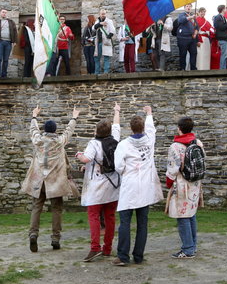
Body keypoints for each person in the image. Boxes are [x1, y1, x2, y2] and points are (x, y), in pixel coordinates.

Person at [21, 105, 81, 253]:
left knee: (36, 207)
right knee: (56, 209)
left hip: (39, 180)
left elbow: (33, 130)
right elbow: (69, 131)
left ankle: (33, 234)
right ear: (54, 130)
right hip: (55, 181)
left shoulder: (38, 140)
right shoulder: (60, 141)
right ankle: (55, 238)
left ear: (45, 130)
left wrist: (34, 116)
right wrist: (74, 117)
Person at [112, 106, 164, 266]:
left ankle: (122, 256)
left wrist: (127, 170)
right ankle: (138, 256)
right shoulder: (149, 140)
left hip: (129, 185)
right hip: (145, 186)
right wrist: (149, 113)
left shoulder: (123, 145)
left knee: (125, 222)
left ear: (131, 128)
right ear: (142, 127)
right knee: (142, 223)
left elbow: (118, 167)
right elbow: (151, 129)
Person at [76, 103, 121, 262]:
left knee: (94, 216)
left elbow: (88, 158)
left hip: (97, 185)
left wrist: (79, 155)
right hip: (113, 184)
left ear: (97, 131)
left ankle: (95, 248)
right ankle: (107, 248)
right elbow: (117, 125)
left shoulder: (93, 143)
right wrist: (117, 111)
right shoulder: (115, 139)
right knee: (110, 216)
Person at [165, 117, 204, 259]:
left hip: (182, 184)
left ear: (179, 128)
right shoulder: (197, 143)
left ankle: (187, 249)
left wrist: (169, 183)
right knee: (191, 214)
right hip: (195, 183)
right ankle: (192, 245)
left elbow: (172, 169)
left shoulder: (175, 147)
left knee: (182, 216)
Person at [0, 8, 17, 78]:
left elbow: (15, 31)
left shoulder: (11, 22)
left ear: (7, 14)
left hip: (8, 42)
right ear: (0, 13)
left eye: (5, 12)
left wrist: (14, 41)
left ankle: (4, 74)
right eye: (3, 12)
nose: (4, 13)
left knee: (6, 59)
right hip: (0, 42)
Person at [177, 4, 199, 70]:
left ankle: (193, 68)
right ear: (184, 8)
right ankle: (182, 69)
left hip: (192, 38)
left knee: (194, 53)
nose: (188, 7)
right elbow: (182, 20)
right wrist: (191, 17)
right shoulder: (182, 15)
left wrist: (196, 32)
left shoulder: (193, 16)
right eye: (187, 6)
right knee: (183, 54)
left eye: (190, 6)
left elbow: (197, 27)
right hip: (183, 38)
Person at [93, 9, 116, 74]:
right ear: (99, 14)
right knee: (97, 58)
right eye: (102, 14)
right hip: (98, 42)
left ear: (105, 14)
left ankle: (106, 72)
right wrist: (100, 24)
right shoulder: (97, 21)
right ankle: (97, 72)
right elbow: (93, 28)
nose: (103, 15)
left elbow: (112, 31)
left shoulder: (109, 21)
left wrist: (108, 37)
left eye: (104, 14)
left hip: (105, 42)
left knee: (106, 57)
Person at [213, 5, 227, 69]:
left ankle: (223, 68)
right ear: (223, 9)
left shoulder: (222, 17)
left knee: (224, 54)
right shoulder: (218, 17)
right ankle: (222, 69)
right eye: (225, 8)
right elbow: (221, 27)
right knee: (224, 55)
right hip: (222, 38)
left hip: (223, 38)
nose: (226, 9)